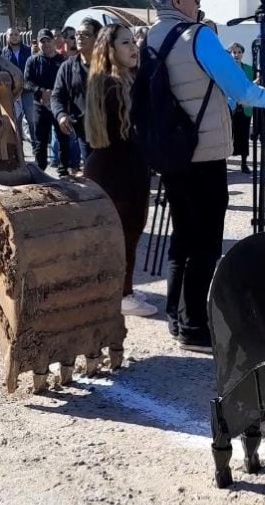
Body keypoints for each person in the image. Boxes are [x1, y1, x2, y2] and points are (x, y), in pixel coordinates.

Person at [146, 0, 265, 353]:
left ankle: (176, 314)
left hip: (172, 151)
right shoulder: (198, 36)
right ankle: (193, 327)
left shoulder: (153, 36)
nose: (199, 2)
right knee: (205, 243)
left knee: (183, 237)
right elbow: (240, 88)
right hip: (203, 152)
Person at [84, 24, 156, 318]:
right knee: (125, 234)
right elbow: (136, 129)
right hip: (120, 170)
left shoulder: (110, 80)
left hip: (111, 166)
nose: (133, 47)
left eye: (133, 41)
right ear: (110, 49)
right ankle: (122, 294)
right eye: (125, 43)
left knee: (120, 235)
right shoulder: (115, 85)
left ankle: (115, 292)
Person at [52, 18, 102, 171]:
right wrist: (61, 115)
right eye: (78, 34)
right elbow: (57, 96)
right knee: (93, 174)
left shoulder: (109, 65)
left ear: (98, 38)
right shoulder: (68, 67)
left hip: (112, 132)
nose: (79, 37)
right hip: (84, 132)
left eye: (86, 34)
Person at [23, 28, 70, 176]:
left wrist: (54, 94)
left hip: (59, 105)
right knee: (40, 139)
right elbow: (26, 82)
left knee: (63, 138)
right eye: (42, 42)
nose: (45, 44)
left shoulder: (62, 61)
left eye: (48, 41)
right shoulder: (33, 60)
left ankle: (63, 170)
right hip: (40, 105)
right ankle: (40, 169)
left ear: (53, 41)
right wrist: (41, 91)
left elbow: (67, 81)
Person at [3, 27, 35, 147]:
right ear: (7, 37)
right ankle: (19, 148)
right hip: (13, 91)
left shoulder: (28, 50)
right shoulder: (3, 53)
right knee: (16, 120)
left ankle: (35, 147)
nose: (14, 36)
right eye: (11, 34)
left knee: (31, 119)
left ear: (20, 36)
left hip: (27, 90)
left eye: (16, 34)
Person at [227, 43, 254, 174]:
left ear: (242, 54)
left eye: (239, 52)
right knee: (228, 135)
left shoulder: (249, 69)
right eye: (234, 52)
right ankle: (225, 162)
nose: (236, 55)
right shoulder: (226, 69)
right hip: (230, 106)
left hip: (245, 107)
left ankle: (244, 164)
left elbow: (251, 86)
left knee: (244, 135)